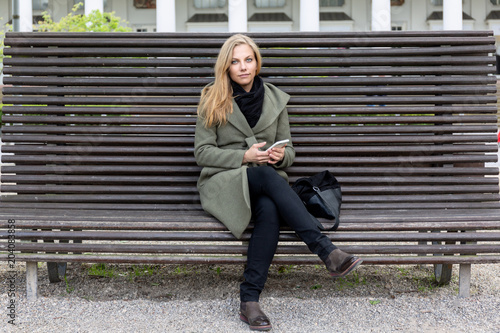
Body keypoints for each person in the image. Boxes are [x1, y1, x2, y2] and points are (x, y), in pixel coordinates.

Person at [194, 34, 362, 331]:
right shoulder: (213, 97)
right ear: (226, 67)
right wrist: (245, 156)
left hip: (266, 182)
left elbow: (290, 151)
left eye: (248, 60)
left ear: (257, 63)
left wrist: (278, 156)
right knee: (260, 174)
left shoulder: (276, 98)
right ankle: (326, 250)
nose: (243, 67)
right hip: (224, 182)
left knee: (270, 208)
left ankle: (249, 301)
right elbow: (203, 153)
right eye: (235, 62)